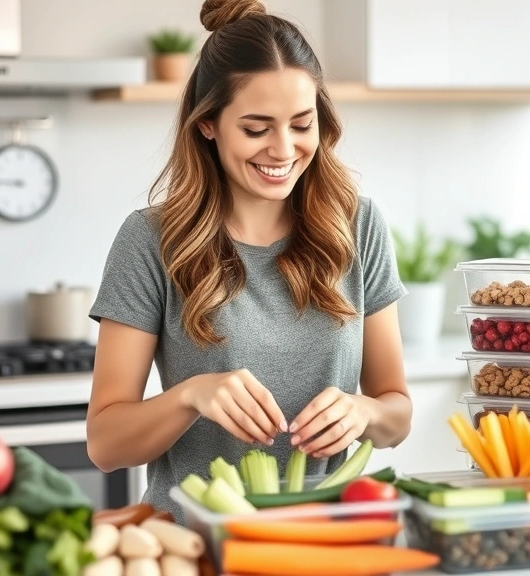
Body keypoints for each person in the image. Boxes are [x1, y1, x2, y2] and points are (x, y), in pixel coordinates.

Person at [85, 0, 413, 521]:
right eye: (257, 129)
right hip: (197, 541)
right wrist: (191, 396)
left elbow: (396, 414)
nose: (283, 150)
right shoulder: (151, 240)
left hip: (325, 539)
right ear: (208, 124)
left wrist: (363, 411)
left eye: (301, 124)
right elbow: (106, 444)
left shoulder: (358, 225)